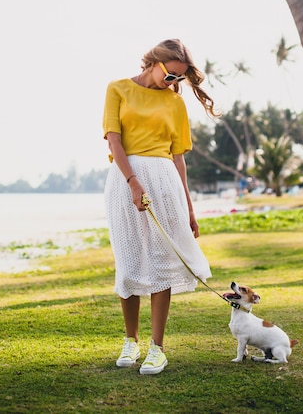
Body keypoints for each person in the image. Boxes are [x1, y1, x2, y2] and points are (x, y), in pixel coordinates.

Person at [102, 38, 220, 375]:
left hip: (164, 180)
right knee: (127, 260)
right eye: (171, 76)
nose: (174, 84)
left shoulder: (175, 104)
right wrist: (134, 183)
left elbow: (178, 158)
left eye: (180, 79)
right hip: (125, 181)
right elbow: (114, 140)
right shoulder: (118, 89)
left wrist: (190, 207)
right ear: (154, 62)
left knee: (161, 260)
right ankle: (130, 340)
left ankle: (157, 348)